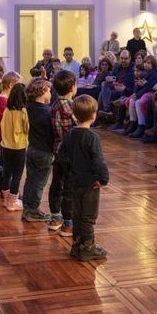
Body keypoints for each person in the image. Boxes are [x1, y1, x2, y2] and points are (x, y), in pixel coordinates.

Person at [57, 95, 109, 261]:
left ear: (74, 114)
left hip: (74, 181)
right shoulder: (93, 137)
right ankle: (88, 247)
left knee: (77, 213)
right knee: (88, 216)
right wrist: (103, 179)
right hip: (90, 183)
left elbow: (61, 155)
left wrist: (72, 169)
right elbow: (99, 161)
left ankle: (77, 244)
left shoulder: (71, 133)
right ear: (94, 115)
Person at [48, 70, 78, 235]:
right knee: (69, 188)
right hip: (70, 152)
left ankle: (55, 217)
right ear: (73, 87)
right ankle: (68, 223)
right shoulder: (71, 106)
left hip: (57, 151)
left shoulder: (53, 104)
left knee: (56, 184)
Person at [22, 79, 54, 222]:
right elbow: (51, 134)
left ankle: (27, 208)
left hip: (31, 148)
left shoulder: (28, 106)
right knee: (39, 183)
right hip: (44, 151)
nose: (50, 94)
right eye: (49, 90)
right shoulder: (46, 112)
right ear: (42, 91)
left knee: (30, 179)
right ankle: (33, 210)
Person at [0, 83, 29, 211]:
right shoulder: (23, 112)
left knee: (6, 172)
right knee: (17, 174)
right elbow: (27, 128)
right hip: (19, 147)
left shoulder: (7, 110)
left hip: (5, 146)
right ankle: (12, 202)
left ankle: (6, 199)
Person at [0, 72, 22, 160]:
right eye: (19, 86)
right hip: (7, 139)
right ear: (10, 85)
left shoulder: (4, 99)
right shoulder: (4, 101)